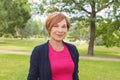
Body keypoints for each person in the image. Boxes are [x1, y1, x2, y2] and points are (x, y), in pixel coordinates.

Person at [27, 12, 79, 80]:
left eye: (63, 26)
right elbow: (32, 77)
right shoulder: (39, 51)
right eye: (56, 26)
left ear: (67, 29)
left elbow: (75, 75)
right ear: (49, 28)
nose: (60, 30)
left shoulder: (72, 49)